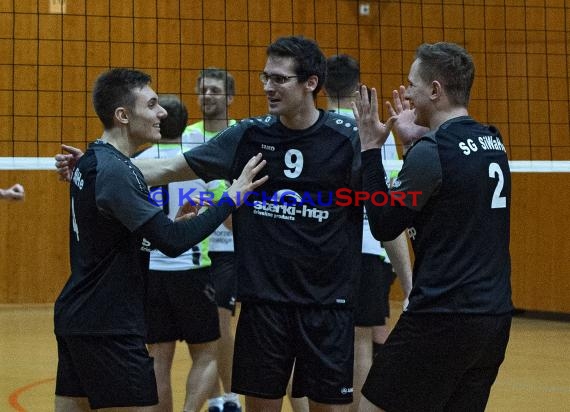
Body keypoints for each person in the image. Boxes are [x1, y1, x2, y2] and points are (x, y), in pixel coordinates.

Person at [55, 36, 363, 412]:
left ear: (310, 83)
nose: (267, 86)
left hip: (326, 304)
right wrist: (98, 165)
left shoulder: (347, 140)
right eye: (265, 76)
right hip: (263, 304)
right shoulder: (249, 135)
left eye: (279, 79)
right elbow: (170, 167)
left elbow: (384, 210)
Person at [53, 68, 267, 412]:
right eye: (151, 105)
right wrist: (231, 197)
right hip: (109, 325)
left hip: (80, 314)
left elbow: (112, 240)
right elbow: (173, 241)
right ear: (122, 115)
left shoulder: (96, 159)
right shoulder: (115, 171)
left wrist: (162, 230)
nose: (162, 113)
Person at [352, 42, 513, 412]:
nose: (406, 93)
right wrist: (413, 144)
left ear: (436, 90)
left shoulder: (432, 153)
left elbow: (382, 222)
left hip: (441, 316)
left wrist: (370, 149)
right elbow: (448, 198)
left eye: (412, 85)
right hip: (493, 320)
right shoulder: (494, 141)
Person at [323, 54, 412, 412]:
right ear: (359, 84)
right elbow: (387, 208)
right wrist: (408, 282)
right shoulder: (379, 132)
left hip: (321, 251)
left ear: (320, 84)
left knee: (314, 342)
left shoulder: (316, 127)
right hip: (368, 249)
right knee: (361, 343)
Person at [135, 94, 223, 412]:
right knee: (207, 354)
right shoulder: (201, 164)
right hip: (194, 272)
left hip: (153, 272)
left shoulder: (137, 164)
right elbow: (226, 214)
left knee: (158, 357)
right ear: (187, 125)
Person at [182, 68, 242, 412]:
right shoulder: (186, 136)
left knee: (221, 322)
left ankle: (230, 396)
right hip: (195, 248)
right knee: (206, 334)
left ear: (229, 98)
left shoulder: (241, 134)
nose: (207, 96)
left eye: (215, 91)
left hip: (229, 247)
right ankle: (219, 396)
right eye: (203, 90)